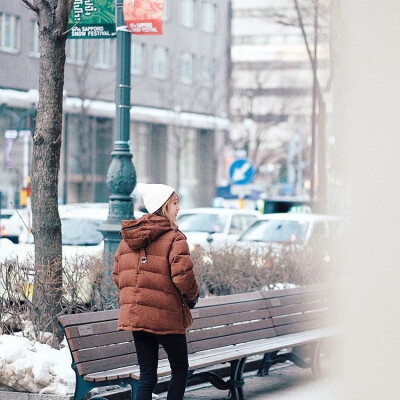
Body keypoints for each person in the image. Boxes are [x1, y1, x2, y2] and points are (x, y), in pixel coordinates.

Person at [112, 183, 199, 400]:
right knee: (180, 369)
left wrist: (138, 296)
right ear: (164, 206)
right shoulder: (174, 237)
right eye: (175, 203)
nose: (178, 208)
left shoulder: (128, 238)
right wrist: (193, 296)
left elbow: (118, 275)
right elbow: (183, 276)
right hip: (166, 317)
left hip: (137, 316)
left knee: (147, 375)